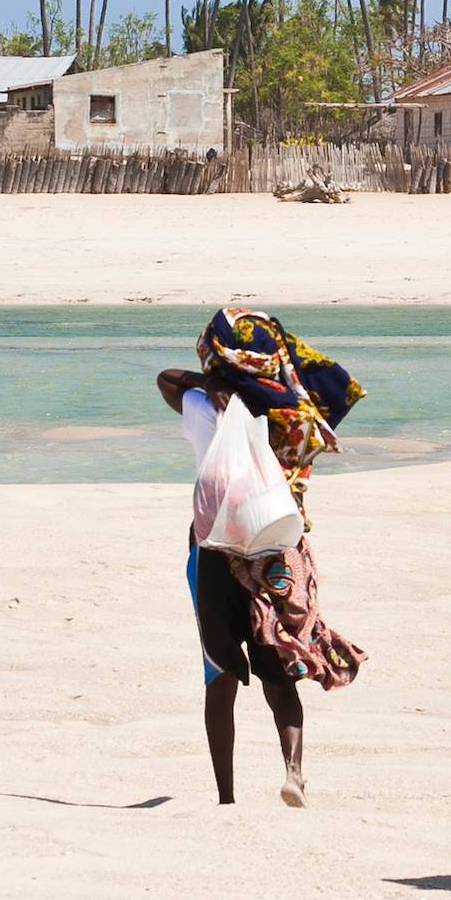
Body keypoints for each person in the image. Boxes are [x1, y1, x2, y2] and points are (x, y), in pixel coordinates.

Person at [158, 307, 367, 809]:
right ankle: (294, 771)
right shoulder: (298, 413)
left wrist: (212, 382)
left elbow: (164, 380)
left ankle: (226, 797)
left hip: (215, 548)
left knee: (219, 674)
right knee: (279, 667)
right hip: (279, 549)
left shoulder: (203, 405)